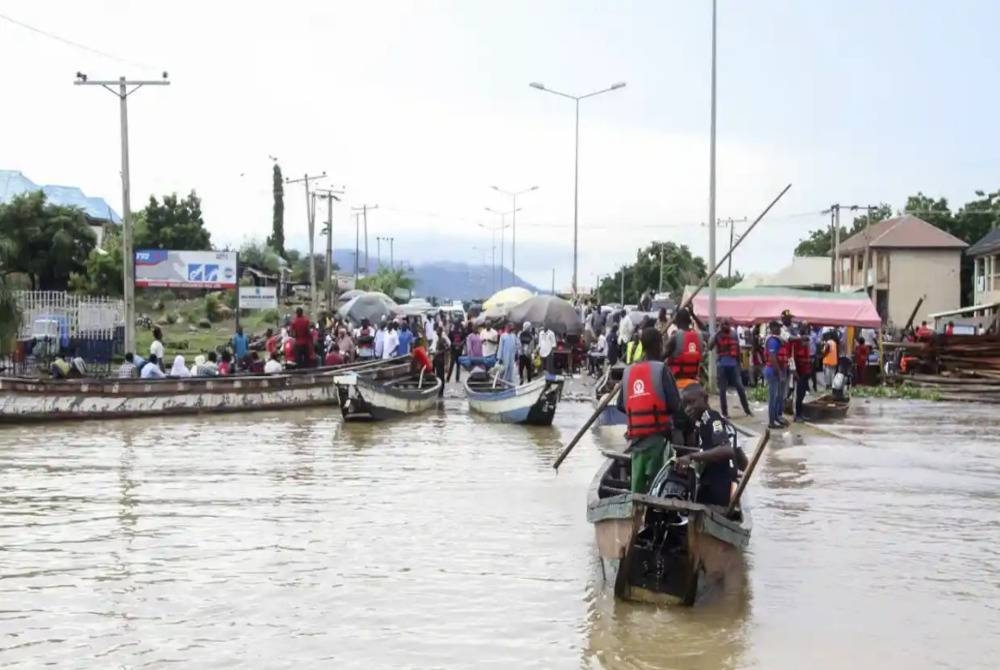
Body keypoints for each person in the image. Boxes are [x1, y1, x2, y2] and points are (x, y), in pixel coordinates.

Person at [616, 327, 683, 494]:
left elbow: (620, 405)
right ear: (660, 345)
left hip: (635, 439)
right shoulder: (661, 370)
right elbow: (675, 405)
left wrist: (639, 408)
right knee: (656, 486)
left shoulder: (628, 371)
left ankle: (635, 511)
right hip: (658, 439)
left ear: (642, 346)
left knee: (636, 488)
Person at [673, 384, 748, 507]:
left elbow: (726, 450)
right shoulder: (720, 423)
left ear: (705, 398)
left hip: (718, 488)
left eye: (692, 402)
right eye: (685, 405)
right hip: (726, 486)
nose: (688, 409)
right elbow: (742, 461)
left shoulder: (710, 418)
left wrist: (691, 457)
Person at [709, 319, 751, 418]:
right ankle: (724, 413)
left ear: (729, 325)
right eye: (723, 324)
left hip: (733, 365)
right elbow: (710, 346)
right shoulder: (718, 335)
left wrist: (740, 363)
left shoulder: (734, 334)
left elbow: (737, 349)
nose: (725, 326)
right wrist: (716, 334)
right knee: (722, 390)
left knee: (740, 387)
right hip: (722, 365)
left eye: (726, 324)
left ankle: (747, 410)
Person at [665, 308, 702, 389]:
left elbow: (662, 356)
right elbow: (705, 329)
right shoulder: (699, 337)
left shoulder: (675, 337)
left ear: (677, 321)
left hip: (676, 381)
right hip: (694, 380)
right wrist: (693, 314)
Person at [764, 320, 788, 429]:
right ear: (772, 327)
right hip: (773, 371)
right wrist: (779, 372)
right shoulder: (772, 341)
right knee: (773, 397)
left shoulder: (778, 339)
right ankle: (771, 422)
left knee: (779, 396)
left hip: (778, 370)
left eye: (779, 327)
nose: (779, 329)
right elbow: (773, 358)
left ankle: (776, 418)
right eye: (777, 327)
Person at [790, 326, 813, 422]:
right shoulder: (796, 343)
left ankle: (800, 413)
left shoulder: (807, 344)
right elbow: (792, 358)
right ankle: (797, 415)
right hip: (799, 372)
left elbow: (808, 358)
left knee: (802, 394)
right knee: (798, 394)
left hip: (806, 371)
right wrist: (794, 371)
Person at [432, 326, 449, 397]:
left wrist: (439, 352)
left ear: (441, 332)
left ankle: (441, 392)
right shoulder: (438, 340)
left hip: (441, 361)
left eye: (438, 331)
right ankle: (438, 390)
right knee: (437, 376)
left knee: (441, 376)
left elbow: (447, 349)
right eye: (436, 331)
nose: (437, 332)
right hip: (436, 360)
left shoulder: (443, 340)